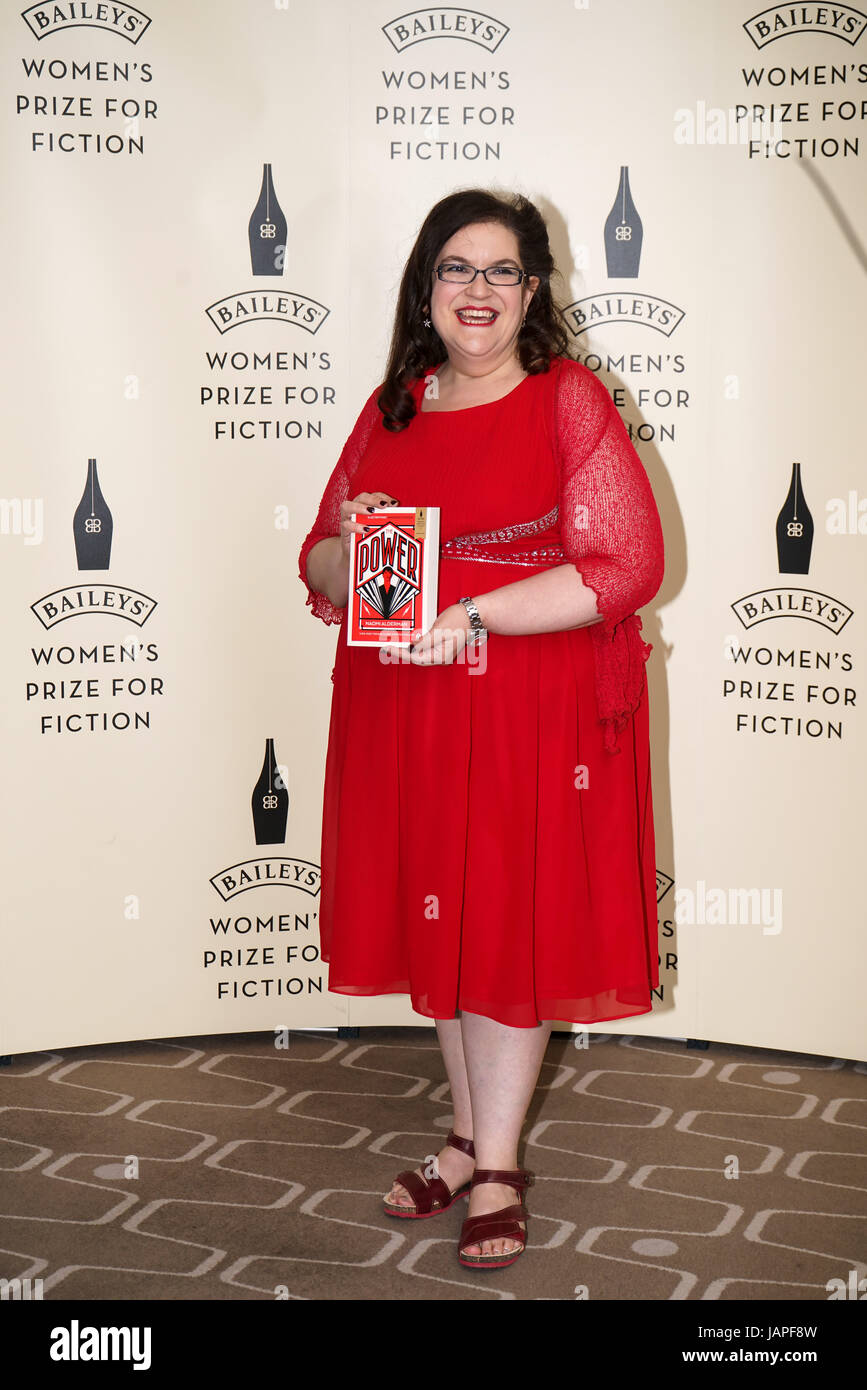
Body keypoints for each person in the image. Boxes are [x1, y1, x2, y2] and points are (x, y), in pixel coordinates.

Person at [298, 188, 664, 1271]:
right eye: (456, 268)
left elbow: (628, 567)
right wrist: (355, 551)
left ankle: (498, 1164)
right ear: (426, 286)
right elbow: (317, 557)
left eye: (502, 270)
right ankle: (465, 1139)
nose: (478, 290)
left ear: (533, 292)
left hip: (522, 706)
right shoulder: (393, 407)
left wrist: (471, 610)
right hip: (405, 703)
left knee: (503, 921)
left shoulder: (567, 401)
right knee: (443, 920)